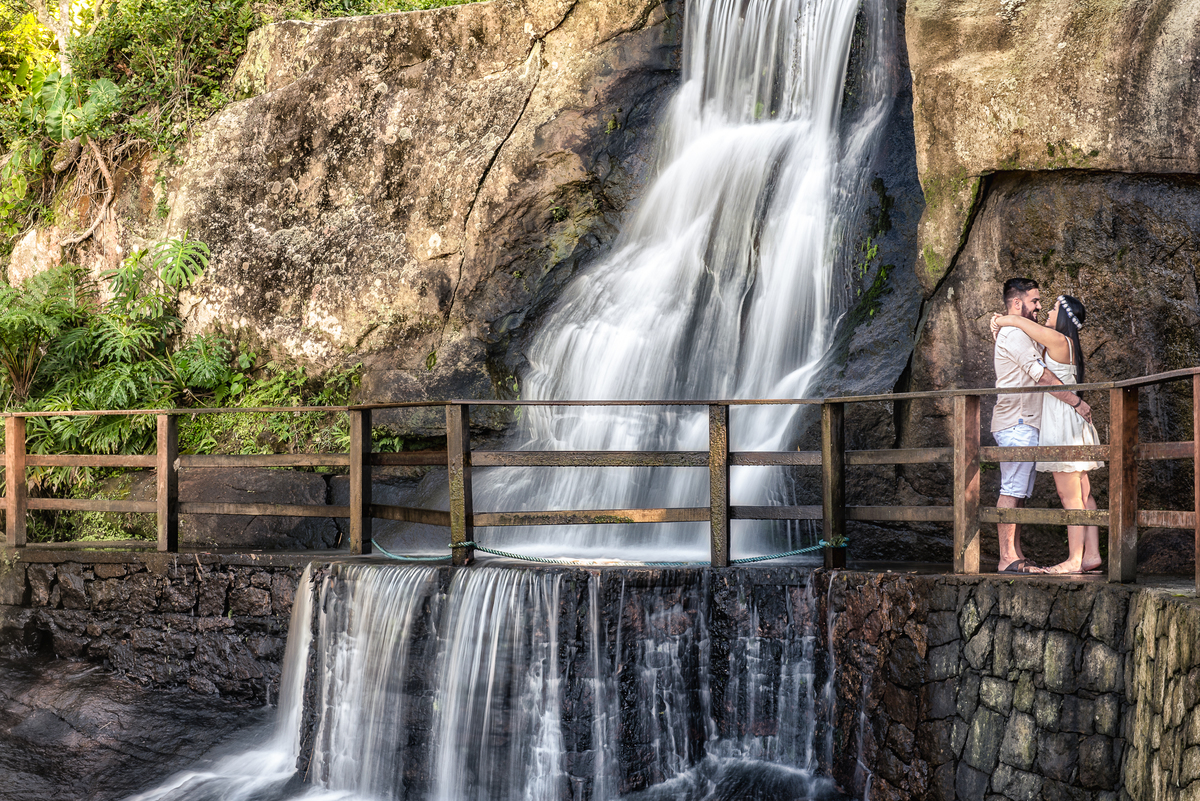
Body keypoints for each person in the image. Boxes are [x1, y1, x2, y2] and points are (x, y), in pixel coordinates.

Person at [991, 294, 1103, 574]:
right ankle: (1091, 555)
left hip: (1063, 422)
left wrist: (998, 320)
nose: (1046, 311)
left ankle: (1074, 560)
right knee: (1084, 493)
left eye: (1052, 308)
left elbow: (1020, 322)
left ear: (1064, 316)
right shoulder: (1068, 344)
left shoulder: (1057, 340)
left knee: (1070, 497)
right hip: (1073, 421)